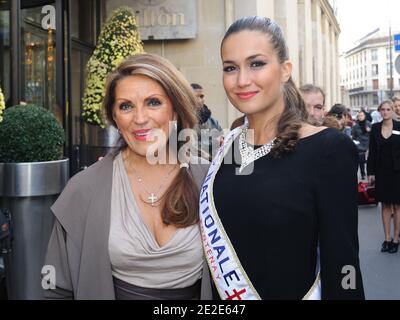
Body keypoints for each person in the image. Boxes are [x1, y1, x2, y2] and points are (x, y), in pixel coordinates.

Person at [199, 16, 364, 300]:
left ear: (285, 70)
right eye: (230, 68)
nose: (241, 80)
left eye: (256, 64)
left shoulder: (328, 149)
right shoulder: (227, 147)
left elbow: (344, 262)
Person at [43, 53, 212, 299]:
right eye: (126, 106)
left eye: (153, 102)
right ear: (115, 118)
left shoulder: (209, 179)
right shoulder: (84, 189)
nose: (140, 119)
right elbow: (56, 290)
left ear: (174, 110)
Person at [367, 100, 400, 254]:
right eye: (383, 109)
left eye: (388, 109)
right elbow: (372, 152)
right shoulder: (375, 128)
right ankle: (386, 238)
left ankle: (396, 238)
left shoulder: (399, 126)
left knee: (397, 206)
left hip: (397, 172)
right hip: (381, 172)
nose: (386, 112)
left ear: (393, 110)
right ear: (379, 111)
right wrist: (370, 173)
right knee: (385, 206)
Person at [190, 83, 223, 160]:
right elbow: (189, 147)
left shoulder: (212, 121)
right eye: (195, 97)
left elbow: (222, 140)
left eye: (201, 96)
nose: (199, 100)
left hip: (214, 165)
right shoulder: (183, 120)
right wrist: (215, 142)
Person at [352, 110, 372, 180]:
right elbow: (353, 136)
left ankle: (370, 173)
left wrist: (369, 131)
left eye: (362, 115)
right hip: (359, 145)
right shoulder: (355, 126)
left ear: (364, 116)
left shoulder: (368, 124)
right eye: (359, 116)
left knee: (369, 160)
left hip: (367, 144)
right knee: (361, 161)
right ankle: (363, 174)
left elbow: (372, 135)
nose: (360, 117)